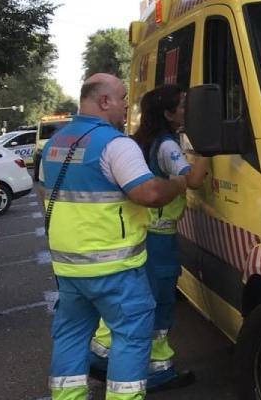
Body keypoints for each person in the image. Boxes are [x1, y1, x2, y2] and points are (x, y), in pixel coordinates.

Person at [42, 74, 188, 400]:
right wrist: (176, 185)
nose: (126, 106)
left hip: (69, 267)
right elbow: (148, 192)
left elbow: (50, 195)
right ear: (104, 101)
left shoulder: (56, 143)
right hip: (115, 268)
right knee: (131, 337)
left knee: (70, 335)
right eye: (123, 98)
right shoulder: (116, 144)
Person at [89, 85, 208, 391]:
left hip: (143, 233)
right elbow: (192, 180)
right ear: (168, 114)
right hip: (160, 237)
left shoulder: (141, 141)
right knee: (161, 301)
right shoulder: (167, 146)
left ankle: (102, 356)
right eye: (182, 106)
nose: (186, 111)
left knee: (134, 301)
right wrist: (208, 147)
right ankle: (156, 370)